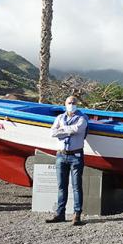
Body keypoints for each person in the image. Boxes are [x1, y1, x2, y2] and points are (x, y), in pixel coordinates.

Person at [46, 96, 88, 226]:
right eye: (69, 102)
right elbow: (53, 132)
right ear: (65, 104)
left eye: (74, 102)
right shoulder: (59, 117)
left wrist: (62, 130)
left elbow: (77, 129)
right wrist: (67, 131)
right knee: (61, 186)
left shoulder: (82, 118)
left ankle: (77, 214)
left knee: (76, 186)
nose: (71, 104)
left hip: (76, 156)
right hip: (61, 155)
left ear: (77, 104)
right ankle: (60, 213)